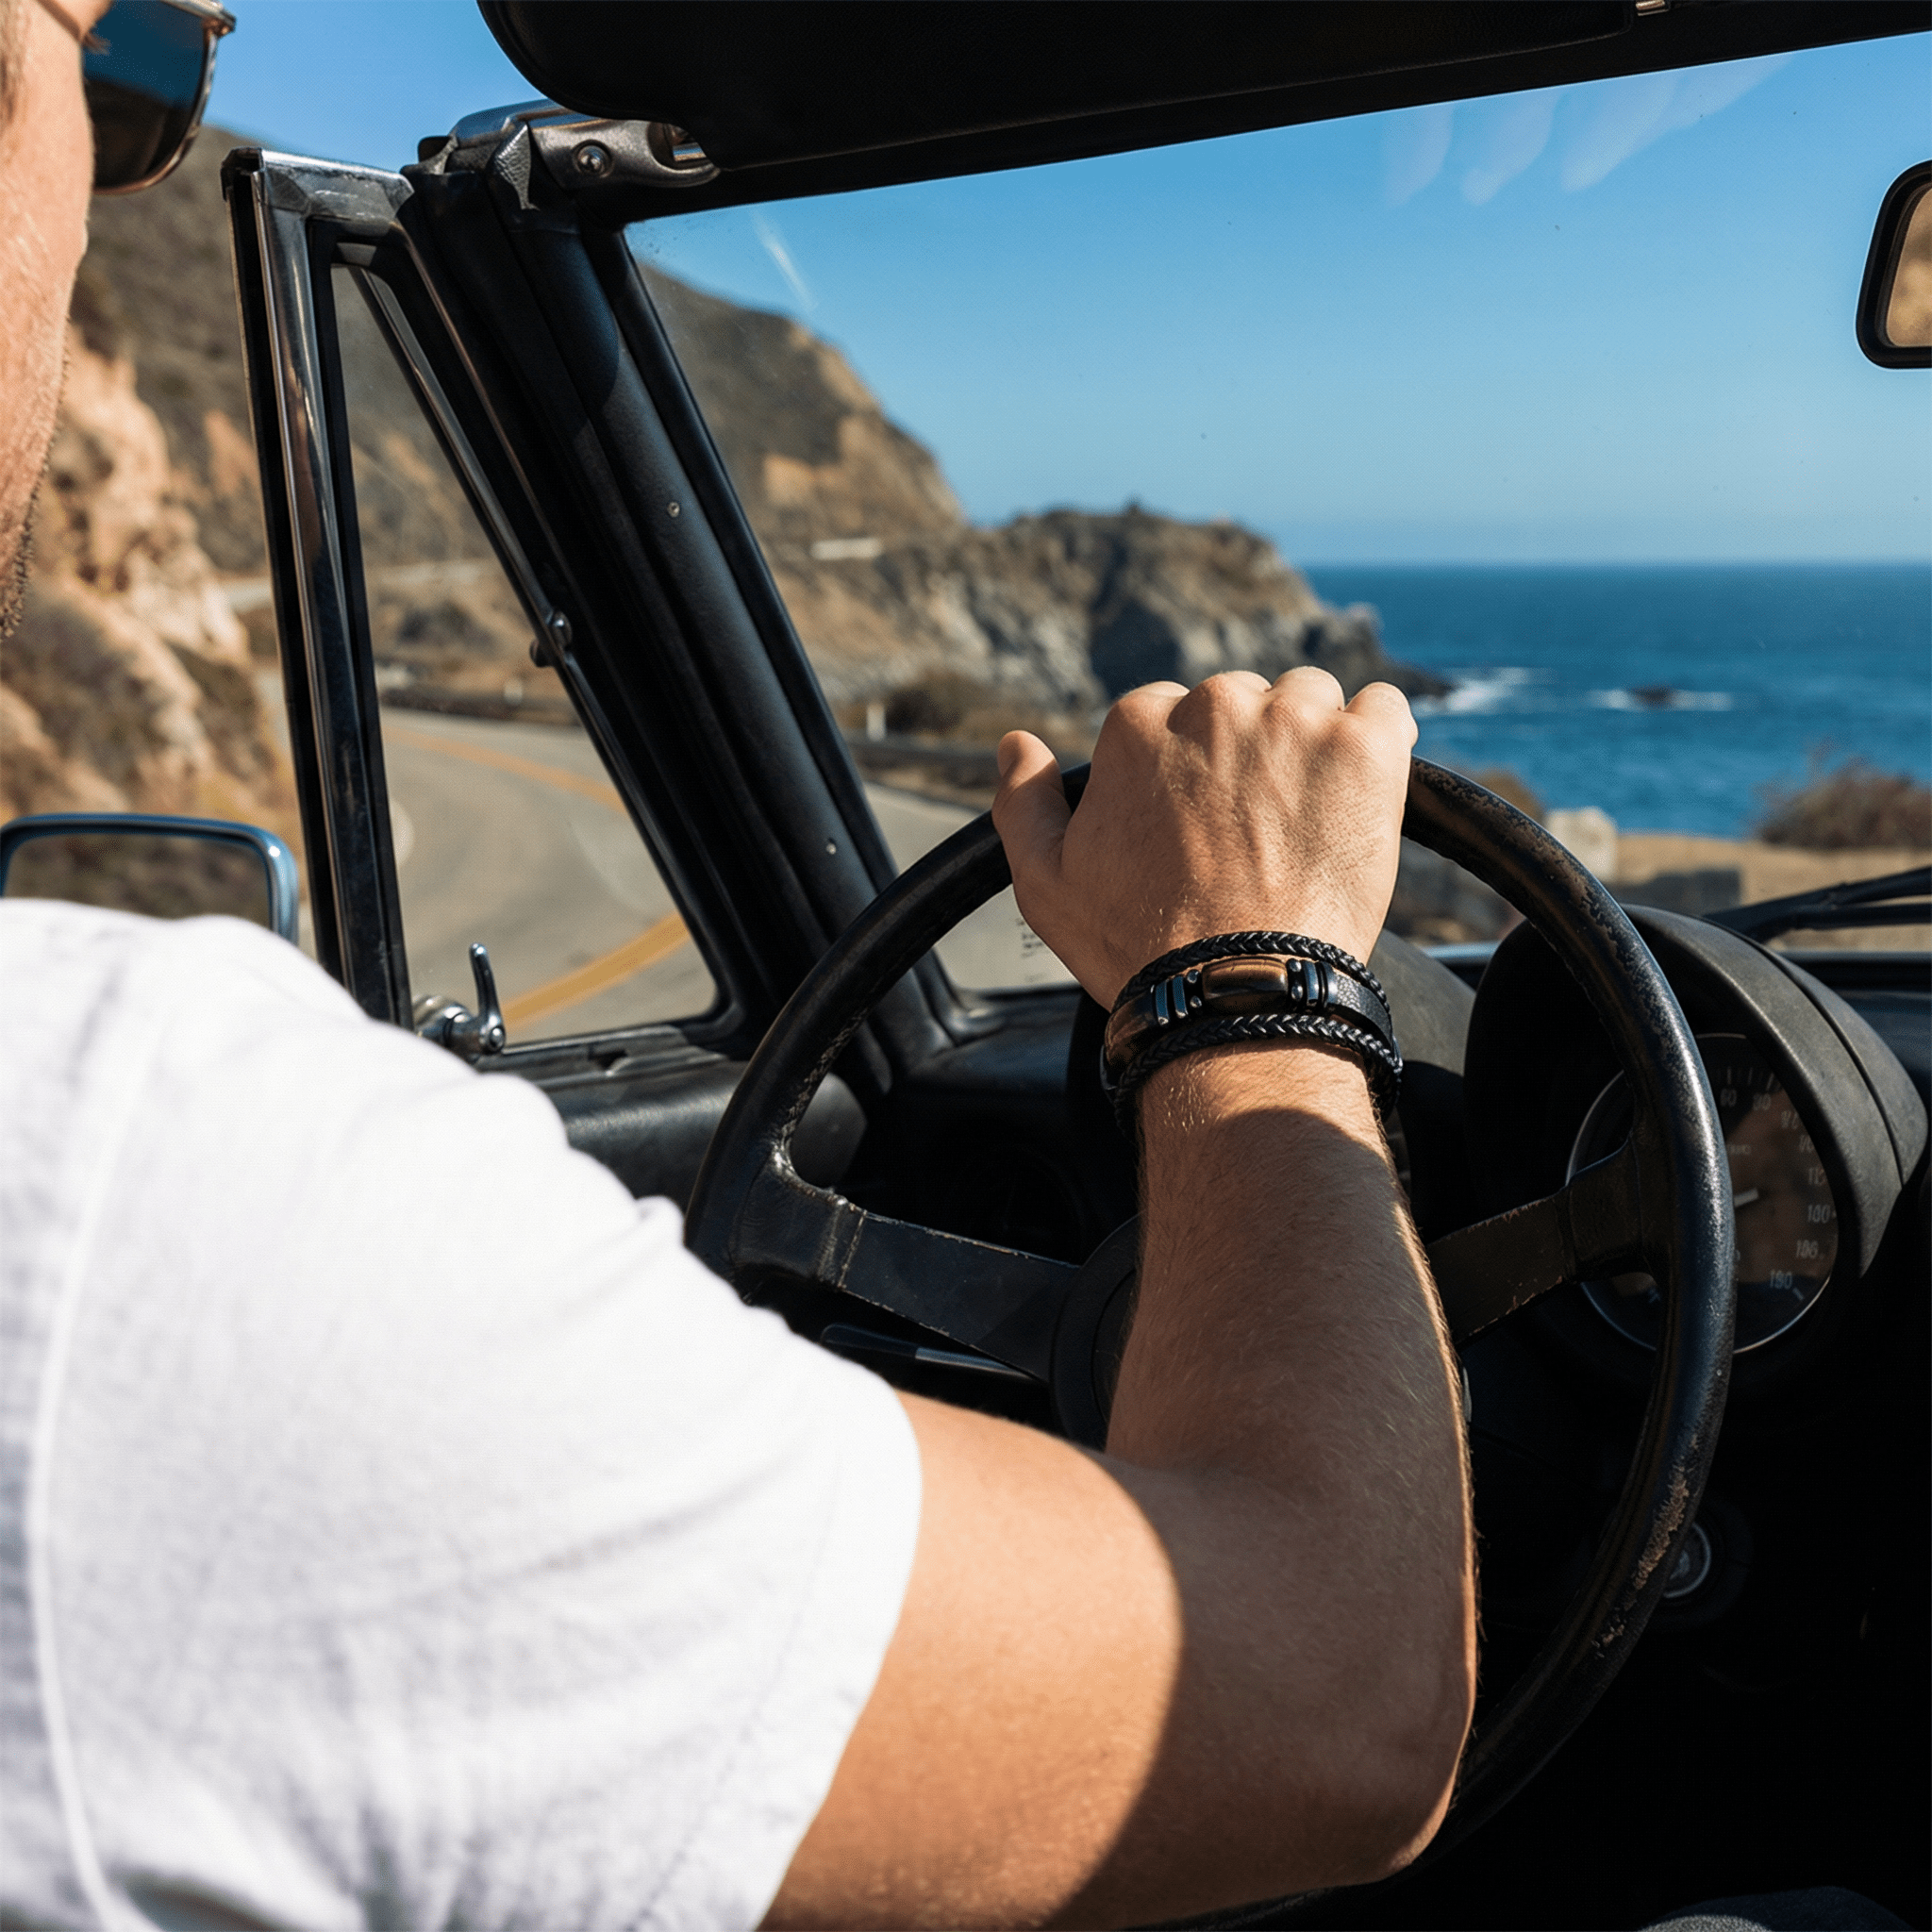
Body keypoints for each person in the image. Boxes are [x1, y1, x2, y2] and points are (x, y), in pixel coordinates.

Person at [2, 2, 1478, 1926]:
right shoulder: (132, 1184)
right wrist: (1255, 982)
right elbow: (1328, 1699)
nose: (117, 208)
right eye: (116, 75)